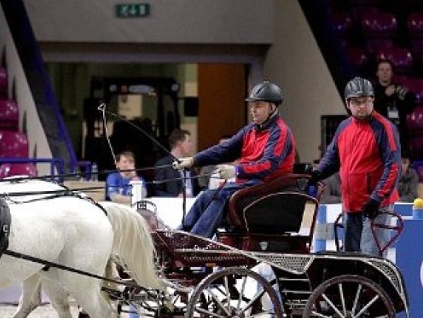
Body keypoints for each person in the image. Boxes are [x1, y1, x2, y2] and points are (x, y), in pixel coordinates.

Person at [173, 80, 296, 238]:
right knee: (205, 195)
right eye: (252, 105)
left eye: (258, 105)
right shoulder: (250, 130)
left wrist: (236, 170)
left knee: (220, 195)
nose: (253, 110)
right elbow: (224, 150)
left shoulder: (280, 131)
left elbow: (268, 165)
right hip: (249, 185)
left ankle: (197, 239)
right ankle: (181, 235)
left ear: (272, 107)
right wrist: (194, 160)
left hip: (267, 188)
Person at [310, 77, 400, 256]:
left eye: (366, 101)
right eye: (357, 102)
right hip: (351, 204)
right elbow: (332, 157)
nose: (362, 106)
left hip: (375, 206)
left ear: (372, 100)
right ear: (347, 103)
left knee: (370, 259)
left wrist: (377, 198)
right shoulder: (343, 127)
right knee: (351, 258)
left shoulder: (385, 128)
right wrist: (316, 174)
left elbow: (393, 167)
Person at [372, 59, 415, 155]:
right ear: (377, 73)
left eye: (388, 70)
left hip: (399, 132)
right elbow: (371, 110)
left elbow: (412, 102)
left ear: (392, 73)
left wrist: (403, 97)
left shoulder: (398, 88)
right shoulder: (373, 91)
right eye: (382, 70)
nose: (385, 72)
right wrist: (385, 96)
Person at [153, 129, 200, 197]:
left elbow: (196, 189)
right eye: (189, 141)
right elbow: (157, 191)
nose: (191, 145)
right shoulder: (163, 164)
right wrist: (175, 198)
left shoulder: (190, 164)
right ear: (179, 143)